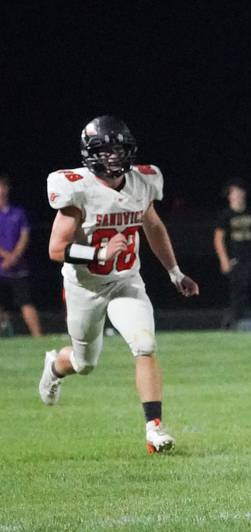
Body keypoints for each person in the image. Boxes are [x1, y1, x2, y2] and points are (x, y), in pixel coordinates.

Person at [39, 116, 199, 453]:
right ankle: (55, 366)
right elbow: (55, 249)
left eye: (119, 150)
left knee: (144, 344)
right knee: (84, 364)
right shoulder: (76, 188)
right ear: (90, 153)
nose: (113, 157)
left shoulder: (143, 181)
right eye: (105, 150)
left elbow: (153, 227)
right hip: (85, 287)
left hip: (125, 282)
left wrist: (174, 272)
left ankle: (154, 428)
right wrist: (98, 251)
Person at [213, 179, 251, 327]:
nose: (238, 195)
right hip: (236, 259)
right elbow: (218, 239)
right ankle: (236, 322)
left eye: (240, 192)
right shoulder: (226, 215)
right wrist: (224, 260)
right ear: (229, 196)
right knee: (238, 290)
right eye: (234, 193)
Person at [0, 173, 43, 337]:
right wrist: (5, 256)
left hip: (18, 267)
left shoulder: (18, 213)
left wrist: (14, 257)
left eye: (2, 186)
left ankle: (38, 337)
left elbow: (24, 235)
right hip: (1, 265)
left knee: (25, 301)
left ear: (7, 188)